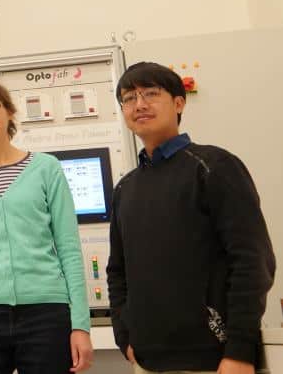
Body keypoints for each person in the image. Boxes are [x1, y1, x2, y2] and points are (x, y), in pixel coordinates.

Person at [107, 62, 275, 374]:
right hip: (147, 361)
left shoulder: (214, 167)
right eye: (129, 98)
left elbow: (253, 261)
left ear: (179, 102)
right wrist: (125, 336)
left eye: (151, 93)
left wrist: (240, 350)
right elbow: (118, 272)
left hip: (217, 360)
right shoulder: (125, 188)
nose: (139, 104)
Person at [0, 77, 93, 374]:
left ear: (9, 112)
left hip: (46, 312)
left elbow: (69, 250)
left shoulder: (46, 168)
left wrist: (81, 326)